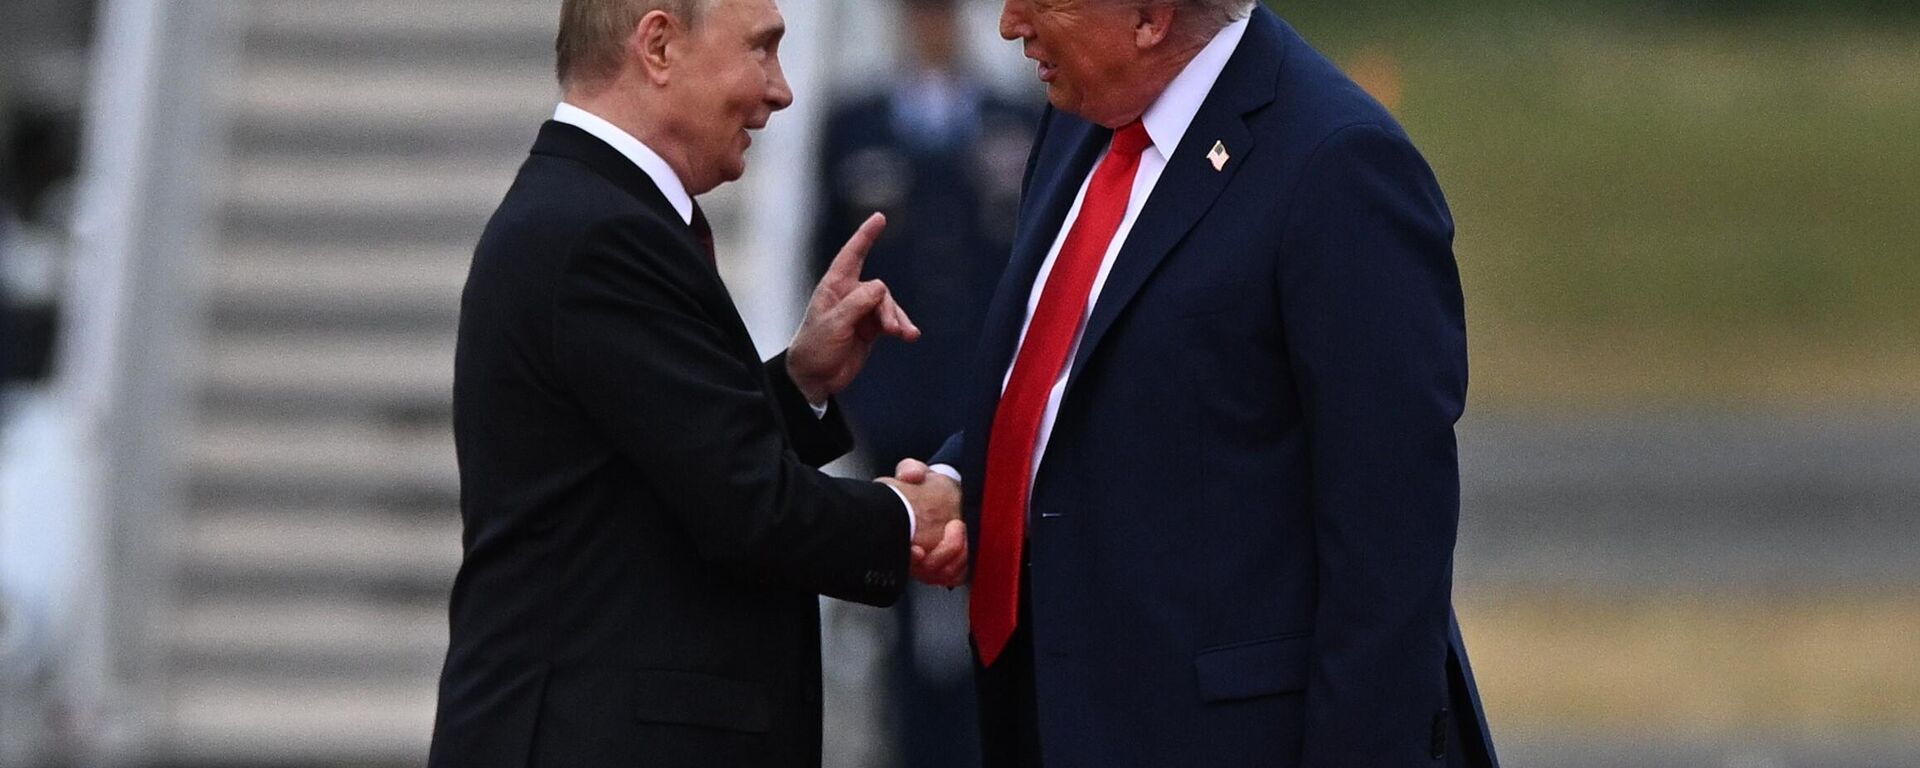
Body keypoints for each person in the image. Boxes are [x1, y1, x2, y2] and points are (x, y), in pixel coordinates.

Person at [888, 0, 1500, 765]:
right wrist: (966, 477)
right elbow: (1080, 370)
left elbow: (1389, 557)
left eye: (1040, 1)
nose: (1010, 23)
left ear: (1149, 16)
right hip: (1057, 714)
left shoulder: (1338, 164)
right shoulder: (1084, 114)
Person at [429, 0, 967, 766]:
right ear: (658, 45)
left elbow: (659, 469)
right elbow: (744, 507)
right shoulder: (601, 233)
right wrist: (919, 514)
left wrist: (798, 383)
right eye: (760, 50)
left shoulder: (599, 213)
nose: (780, 91)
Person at [808, 0, 1038, 765]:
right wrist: (861, 401)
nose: (933, 28)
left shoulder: (1014, 117)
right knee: (899, 604)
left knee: (1001, 596)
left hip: (991, 402)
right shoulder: (859, 123)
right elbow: (828, 260)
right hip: (898, 404)